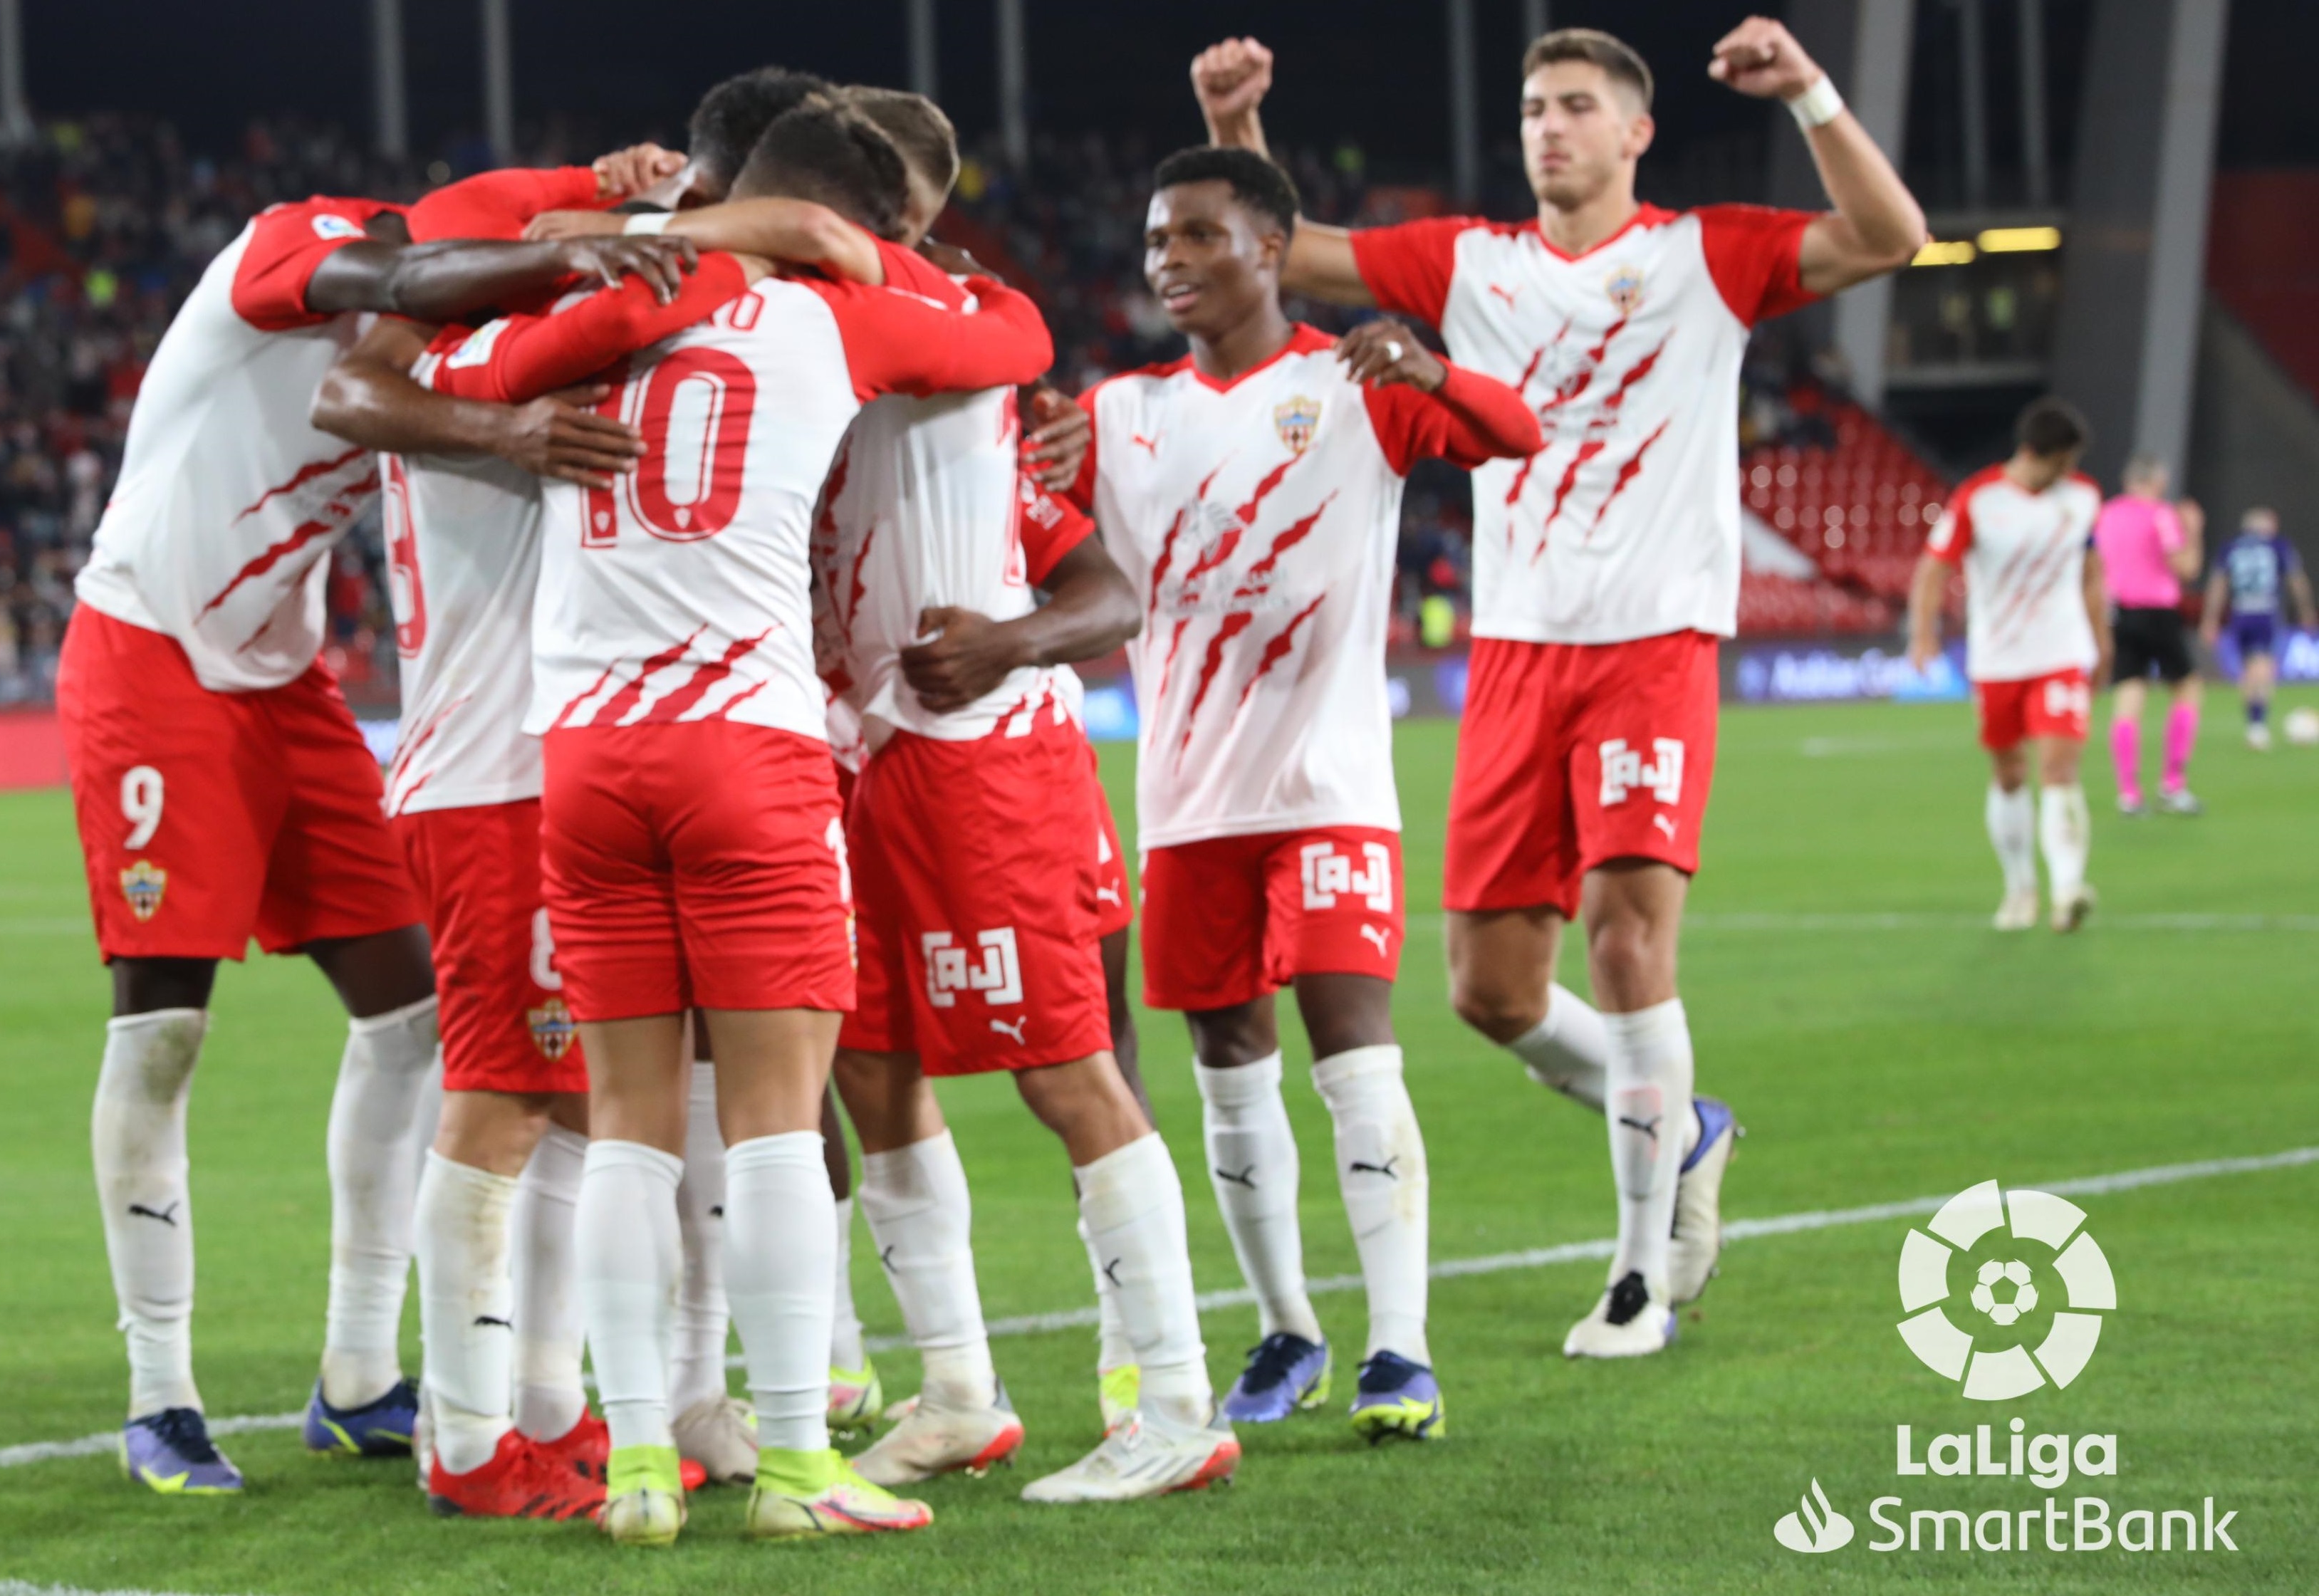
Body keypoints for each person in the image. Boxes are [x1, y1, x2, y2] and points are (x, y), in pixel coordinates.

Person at [1190, 18, 1926, 1356]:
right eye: (1536, 106)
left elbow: (1889, 234)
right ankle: (1688, 1130)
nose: (1550, 126)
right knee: (1490, 991)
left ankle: (1641, 1274)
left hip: (1655, 640)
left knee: (1630, 941)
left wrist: (1812, 89)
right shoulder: (1470, 261)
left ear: (1636, 131)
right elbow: (1291, 253)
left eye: (1578, 105)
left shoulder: (1704, 253)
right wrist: (1238, 128)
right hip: (1518, 648)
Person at [425, 100, 1054, 1545]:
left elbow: (477, 355)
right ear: (837, 224)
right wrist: (864, 260)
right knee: (773, 1123)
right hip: (744, 751)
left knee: (633, 1130)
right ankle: (790, 1465)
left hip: (583, 758)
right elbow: (1010, 340)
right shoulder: (844, 318)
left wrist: (630, 241)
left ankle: (639, 1467)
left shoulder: (601, 302)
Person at [56, 192, 694, 1496]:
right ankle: (159, 1394)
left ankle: (356, 1376)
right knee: (163, 1026)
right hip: (149, 650)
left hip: (285, 678)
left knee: (415, 1024)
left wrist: (619, 195)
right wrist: (563, 245)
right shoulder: (303, 241)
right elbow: (411, 265)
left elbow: (506, 245)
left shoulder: (447, 331)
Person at [719, 88, 1223, 1504]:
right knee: (868, 1067)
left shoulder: (934, 312)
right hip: (861, 751)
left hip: (980, 755)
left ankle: (1171, 1402)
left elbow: (1016, 343)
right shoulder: (809, 331)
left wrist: (1003, 636)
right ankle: (953, 1389)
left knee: (1066, 1069)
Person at [1075, 145, 1542, 1446]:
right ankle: (1288, 1325)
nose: (1170, 259)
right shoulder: (1117, 414)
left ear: (1272, 247)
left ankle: (1403, 1347)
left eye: (1200, 236)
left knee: (1356, 1055)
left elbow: (1520, 434)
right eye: (1159, 239)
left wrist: (1436, 368)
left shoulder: (1356, 385)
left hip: (1329, 791)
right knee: (1228, 1065)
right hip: (1187, 802)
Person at [303, 144, 709, 1520]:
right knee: (494, 1102)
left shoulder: (490, 355)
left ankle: (542, 1405)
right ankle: (468, 1439)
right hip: (495, 771)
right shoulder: (479, 366)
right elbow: (350, 385)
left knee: (576, 1106)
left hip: (544, 762)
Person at [1906, 397, 2107, 932]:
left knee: (2059, 768)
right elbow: (1933, 567)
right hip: (1997, 659)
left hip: (2061, 653)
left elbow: (2090, 571)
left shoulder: (2083, 497)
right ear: (2039, 453)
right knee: (2009, 773)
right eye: (2063, 460)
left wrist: (2100, 636)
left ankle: (2067, 890)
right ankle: (2020, 887)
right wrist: (1922, 632)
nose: (2069, 471)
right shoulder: (1978, 498)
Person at [2090, 457, 2206, 814]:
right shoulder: (2161, 514)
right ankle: (2173, 784)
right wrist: (2195, 532)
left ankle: (2128, 793)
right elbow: (2185, 568)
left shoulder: (2106, 515)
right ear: (2156, 480)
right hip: (2157, 611)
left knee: (2128, 697)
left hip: (2119, 614)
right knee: (2186, 688)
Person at [2202, 508, 2314, 751]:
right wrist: (2306, 610)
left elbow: (2218, 584)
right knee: (2264, 668)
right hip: (2266, 613)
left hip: (2240, 613)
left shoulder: (2231, 547)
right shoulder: (2277, 546)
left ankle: (2253, 724)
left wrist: (2210, 618)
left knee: (2248, 670)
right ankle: (2258, 724)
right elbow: (2296, 579)